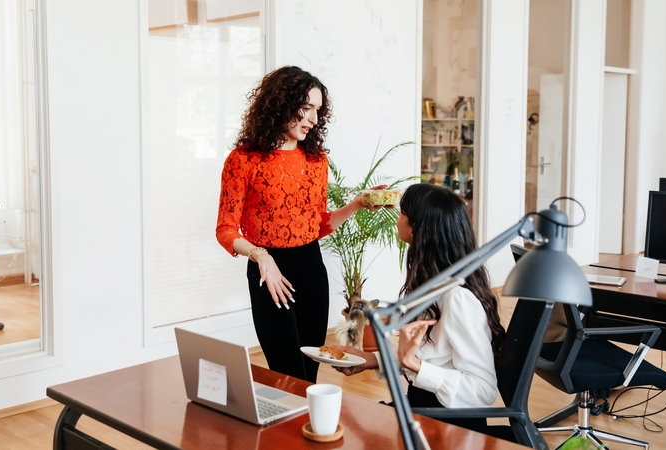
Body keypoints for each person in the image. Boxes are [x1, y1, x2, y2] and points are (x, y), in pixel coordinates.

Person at [216, 66, 385, 383]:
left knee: (309, 374)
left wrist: (358, 204)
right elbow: (225, 229)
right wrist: (261, 256)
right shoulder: (242, 160)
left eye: (318, 110)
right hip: (269, 274)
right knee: (287, 374)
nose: (314, 119)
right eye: (306, 107)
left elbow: (316, 225)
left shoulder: (316, 160)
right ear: (281, 103)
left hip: (311, 270)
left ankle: (306, 417)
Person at [334, 183, 507, 433]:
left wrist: (413, 364)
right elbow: (433, 357)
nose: (397, 220)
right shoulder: (431, 285)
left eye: (402, 213)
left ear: (416, 228)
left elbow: (483, 391)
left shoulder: (458, 299)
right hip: (420, 409)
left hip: (448, 427)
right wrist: (370, 360)